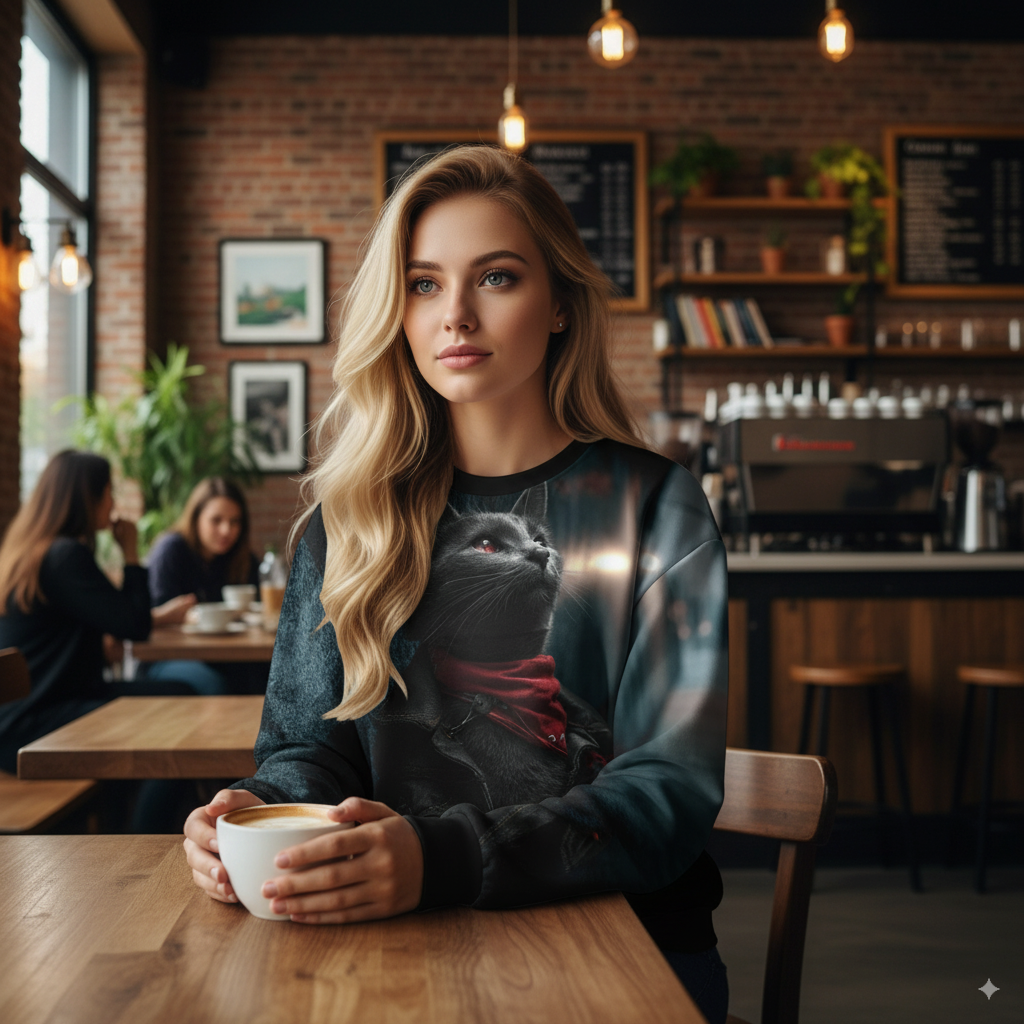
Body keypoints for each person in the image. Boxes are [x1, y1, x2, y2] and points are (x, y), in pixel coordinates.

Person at [183, 147, 729, 1022]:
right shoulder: (347, 519)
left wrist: (436, 858)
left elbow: (669, 790)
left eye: (498, 277)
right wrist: (253, 815)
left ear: (558, 304)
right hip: (383, 949)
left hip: (624, 952)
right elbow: (309, 751)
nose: (458, 316)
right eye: (425, 284)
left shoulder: (656, 505)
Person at [0, 450, 197, 776]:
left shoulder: (36, 551)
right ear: (86, 498)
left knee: (179, 696)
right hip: (38, 721)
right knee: (177, 711)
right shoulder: (65, 556)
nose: (113, 504)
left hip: (35, 711)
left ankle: (136, 816)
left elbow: (110, 617)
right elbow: (134, 624)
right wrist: (131, 554)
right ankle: (142, 823)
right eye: (108, 493)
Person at [144, 477, 263, 695]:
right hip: (169, 657)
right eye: (216, 520)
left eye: (235, 521)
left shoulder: (241, 558)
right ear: (196, 518)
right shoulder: (171, 551)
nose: (226, 530)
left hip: (228, 654)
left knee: (267, 676)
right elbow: (160, 616)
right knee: (214, 683)